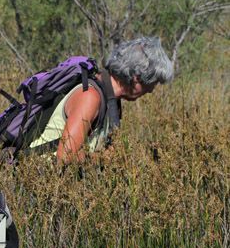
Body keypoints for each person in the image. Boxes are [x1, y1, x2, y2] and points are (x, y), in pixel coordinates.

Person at [30, 36, 174, 162]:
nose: (151, 91)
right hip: (35, 179)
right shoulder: (90, 97)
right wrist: (105, 159)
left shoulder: (113, 101)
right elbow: (66, 157)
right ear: (137, 78)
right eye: (152, 83)